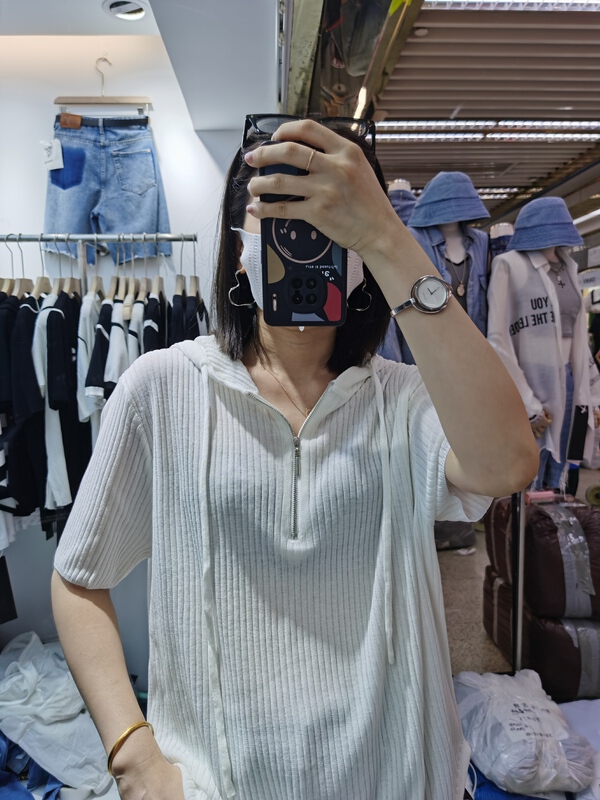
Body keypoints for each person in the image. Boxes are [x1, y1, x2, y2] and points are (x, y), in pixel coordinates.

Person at [51, 116, 538, 800]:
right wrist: (134, 756)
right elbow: (79, 576)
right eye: (281, 214)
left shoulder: (407, 399)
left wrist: (387, 238)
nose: (306, 239)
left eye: (331, 220)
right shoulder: (160, 389)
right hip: (220, 785)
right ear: (238, 244)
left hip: (398, 780)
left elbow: (507, 464)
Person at [487, 196, 600, 492]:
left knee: (560, 469)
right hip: (529, 380)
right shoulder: (508, 265)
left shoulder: (569, 267)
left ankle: (552, 520)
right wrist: (527, 402)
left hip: (570, 381)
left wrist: (592, 394)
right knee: (528, 470)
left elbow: (578, 337)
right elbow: (498, 338)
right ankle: (522, 522)